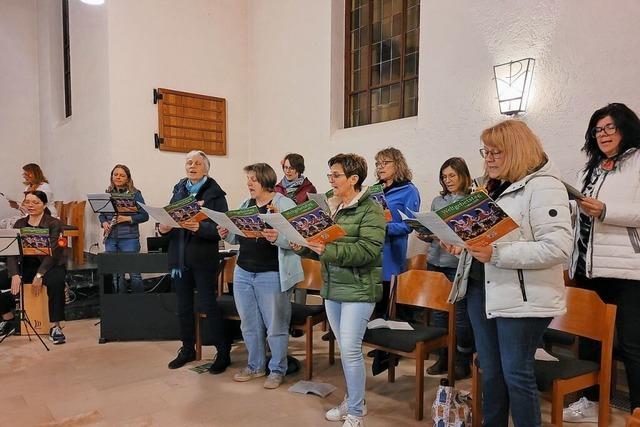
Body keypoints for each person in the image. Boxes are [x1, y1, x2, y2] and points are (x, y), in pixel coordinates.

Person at [447, 120, 573, 427]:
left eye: (496, 152)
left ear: (516, 151)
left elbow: (558, 248)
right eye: (486, 151)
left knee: (516, 373)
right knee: (490, 371)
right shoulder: (491, 187)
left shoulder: (545, 186)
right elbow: (489, 237)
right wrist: (460, 242)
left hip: (523, 297)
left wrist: (497, 254)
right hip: (482, 289)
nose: (488, 158)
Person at [294, 153, 386, 427]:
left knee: (350, 349)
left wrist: (327, 248)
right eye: (330, 175)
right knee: (346, 349)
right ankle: (353, 399)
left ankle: (356, 412)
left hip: (359, 288)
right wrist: (303, 245)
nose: (330, 180)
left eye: (336, 175)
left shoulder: (371, 210)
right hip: (333, 287)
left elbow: (368, 251)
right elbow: (323, 250)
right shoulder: (332, 207)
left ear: (354, 179)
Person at [564, 103, 640, 422]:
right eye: (598, 129)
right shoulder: (590, 168)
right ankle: (592, 400)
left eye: (610, 127)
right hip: (588, 266)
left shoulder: (638, 162)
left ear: (626, 129)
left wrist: (606, 211)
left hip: (627, 270)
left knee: (632, 343)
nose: (603, 135)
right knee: (590, 339)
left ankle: (638, 407)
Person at [218, 163, 303, 390]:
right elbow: (238, 238)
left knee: (275, 325)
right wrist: (228, 233)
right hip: (244, 271)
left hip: (272, 273)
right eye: (248, 179)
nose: (249, 184)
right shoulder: (246, 205)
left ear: (265, 180)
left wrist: (278, 239)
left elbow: (297, 241)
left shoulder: (284, 204)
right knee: (249, 324)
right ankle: (255, 366)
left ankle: (277, 369)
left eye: (253, 179)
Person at [158, 150, 231, 374]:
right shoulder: (179, 190)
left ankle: (223, 351)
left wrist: (200, 227)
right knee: (183, 307)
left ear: (206, 168)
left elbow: (221, 230)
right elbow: (167, 219)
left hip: (203, 258)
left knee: (209, 305)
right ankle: (187, 348)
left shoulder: (216, 195)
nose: (192, 166)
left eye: (197, 163)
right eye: (189, 163)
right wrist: (163, 227)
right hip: (179, 258)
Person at [420, 157, 474, 379]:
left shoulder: (471, 199)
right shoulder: (437, 201)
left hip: (457, 265)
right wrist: (425, 232)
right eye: (444, 176)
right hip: (435, 260)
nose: (448, 180)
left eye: (452, 175)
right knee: (438, 314)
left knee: (460, 316)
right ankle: (443, 357)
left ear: (463, 175)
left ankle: (462, 360)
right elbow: (431, 231)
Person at [7, 191, 68, 344]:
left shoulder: (54, 223)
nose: (31, 205)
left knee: (56, 282)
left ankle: (55, 326)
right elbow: (12, 252)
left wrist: (39, 275)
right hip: (26, 265)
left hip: (50, 265)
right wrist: (14, 274)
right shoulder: (19, 224)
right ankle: (8, 320)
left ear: (44, 205)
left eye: (36, 202)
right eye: (28, 202)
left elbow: (54, 252)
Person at [372, 147, 420, 318]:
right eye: (378, 163)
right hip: (372, 253)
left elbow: (409, 225)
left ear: (397, 164)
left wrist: (383, 227)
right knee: (372, 308)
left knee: (387, 308)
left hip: (392, 254)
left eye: (385, 163)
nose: (380, 167)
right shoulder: (375, 190)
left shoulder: (409, 190)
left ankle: (387, 341)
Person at [98, 164, 149, 293]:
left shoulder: (135, 194)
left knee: (134, 273)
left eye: (122, 175)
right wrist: (104, 222)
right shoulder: (108, 194)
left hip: (129, 239)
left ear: (128, 178)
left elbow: (145, 215)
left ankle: (139, 303)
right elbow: (102, 214)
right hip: (111, 238)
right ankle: (120, 304)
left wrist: (127, 219)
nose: (118, 177)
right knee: (116, 274)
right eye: (116, 174)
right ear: (112, 177)